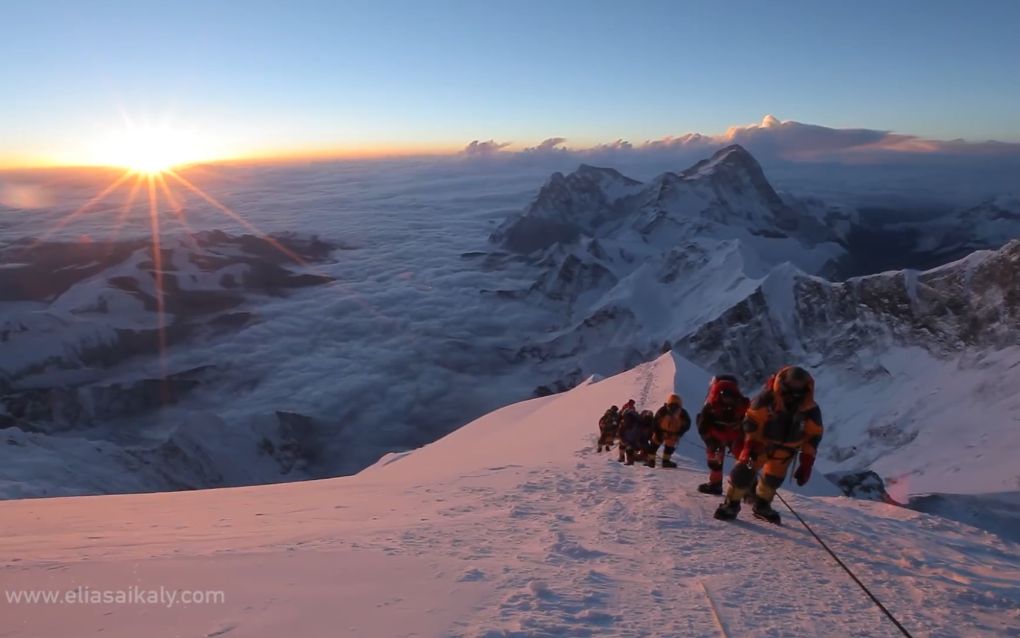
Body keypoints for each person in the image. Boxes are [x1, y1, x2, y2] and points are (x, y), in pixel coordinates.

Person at [714, 366, 823, 524]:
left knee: (773, 479)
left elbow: (813, 435)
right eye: (793, 383)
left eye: (799, 384)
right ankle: (731, 504)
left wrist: (807, 461)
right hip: (761, 445)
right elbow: (752, 421)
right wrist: (751, 444)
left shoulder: (810, 409)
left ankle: (762, 505)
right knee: (744, 471)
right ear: (784, 382)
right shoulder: (767, 399)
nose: (796, 388)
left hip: (786, 452)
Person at [696, 376, 750, 495]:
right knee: (747, 460)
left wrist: (709, 440)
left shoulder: (711, 405)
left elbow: (702, 426)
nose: (728, 400)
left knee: (744, 459)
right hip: (730, 436)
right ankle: (749, 487)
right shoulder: (743, 404)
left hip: (722, 436)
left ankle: (717, 485)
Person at [646, 393, 691, 468]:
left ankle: (651, 461)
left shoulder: (663, 410)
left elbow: (655, 421)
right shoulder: (683, 412)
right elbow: (687, 424)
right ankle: (665, 462)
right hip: (672, 434)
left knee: (654, 446)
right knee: (668, 448)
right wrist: (680, 433)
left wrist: (657, 432)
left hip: (663, 432)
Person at [616, 400, 641, 464]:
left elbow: (621, 431)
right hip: (635, 433)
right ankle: (630, 459)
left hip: (627, 433)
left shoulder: (626, 410)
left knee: (624, 445)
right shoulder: (632, 411)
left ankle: (622, 458)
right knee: (630, 445)